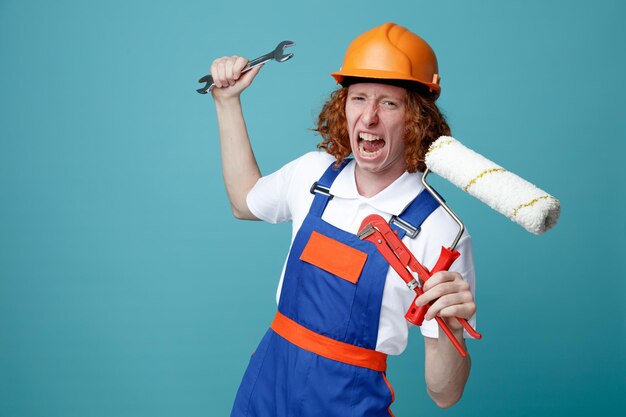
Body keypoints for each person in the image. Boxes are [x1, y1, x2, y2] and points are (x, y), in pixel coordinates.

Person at [209, 22, 477, 416]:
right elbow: (243, 203)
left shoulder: (441, 231)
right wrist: (226, 102)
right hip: (267, 388)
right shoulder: (314, 175)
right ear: (343, 105)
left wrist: (453, 330)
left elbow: (444, 394)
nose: (368, 117)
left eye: (389, 103)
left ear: (416, 119)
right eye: (358, 98)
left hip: (346, 404)